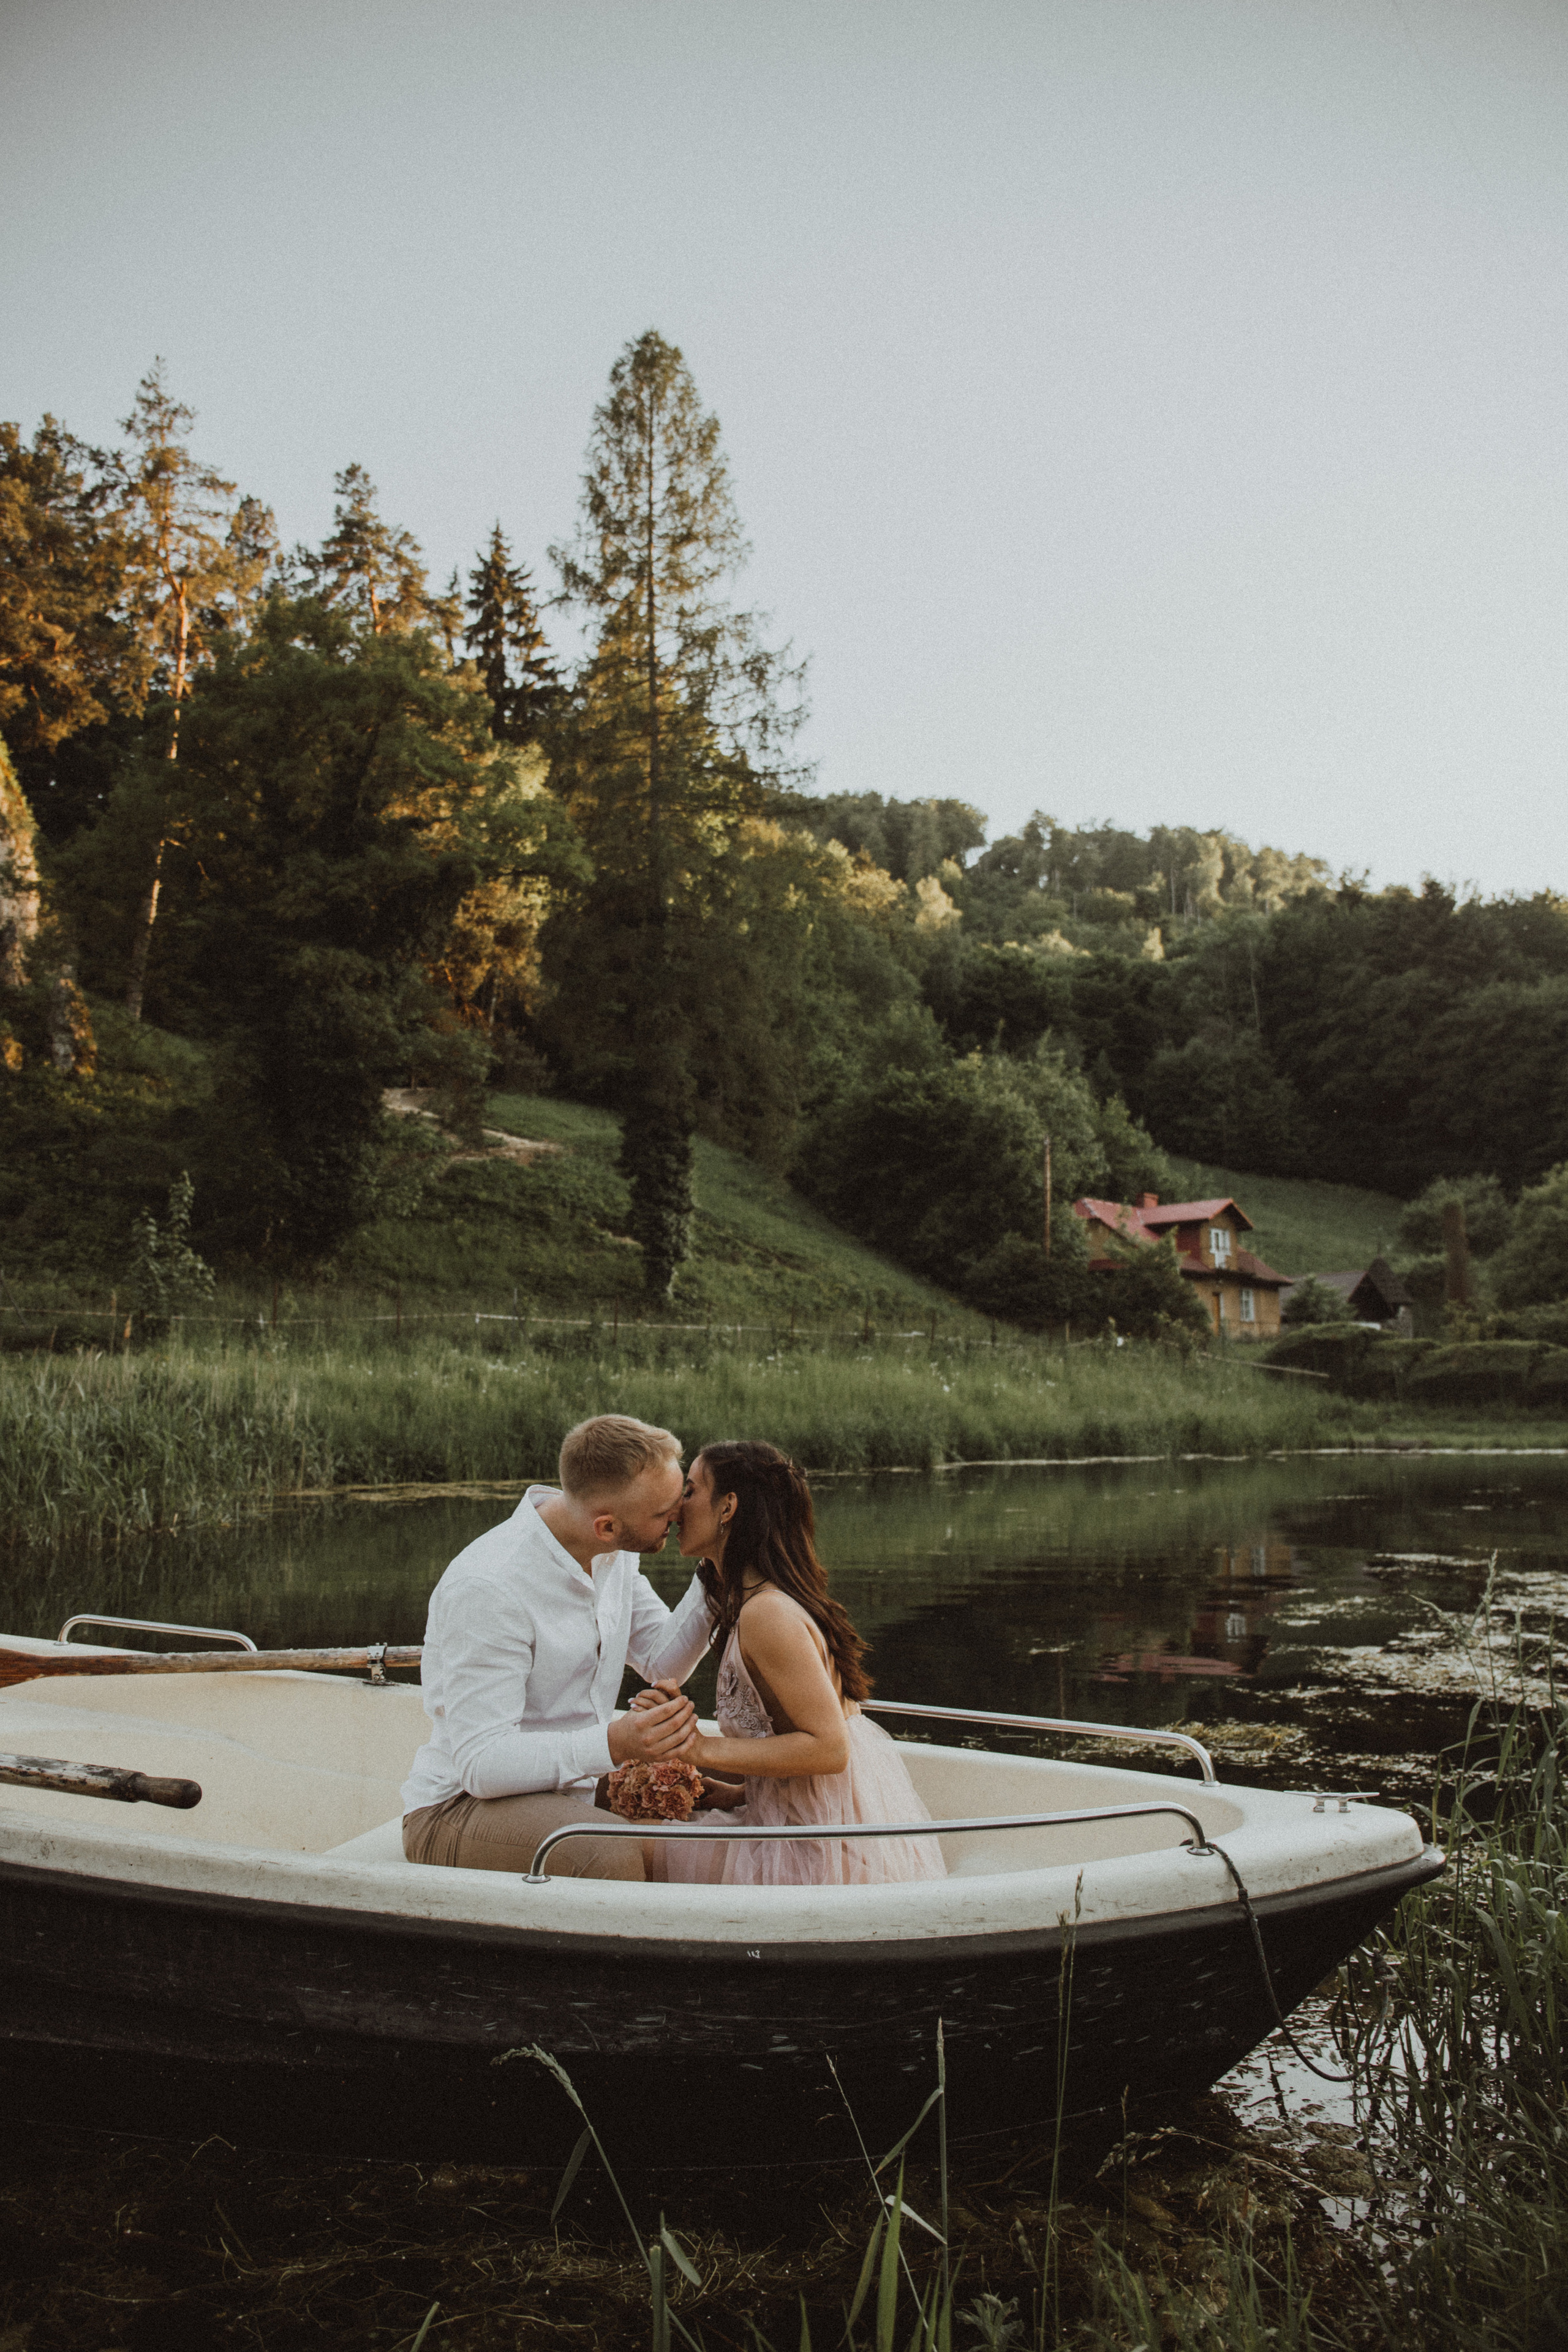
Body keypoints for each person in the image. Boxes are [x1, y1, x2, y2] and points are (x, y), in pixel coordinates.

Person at [401, 1414, 710, 1881]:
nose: (680, 1515)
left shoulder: (610, 1553)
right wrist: (615, 1742)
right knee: (608, 1855)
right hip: (456, 1808)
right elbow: (481, 1766)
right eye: (664, 1512)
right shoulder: (490, 1587)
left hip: (566, 1789)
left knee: (727, 1797)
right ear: (606, 1526)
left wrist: (717, 1571)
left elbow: (661, 1660)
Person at [645, 1439, 947, 1887]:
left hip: (817, 1849)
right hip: (799, 1822)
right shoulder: (752, 1601)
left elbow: (829, 1749)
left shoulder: (767, 1613)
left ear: (728, 1507)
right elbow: (790, 1738)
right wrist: (736, 1792)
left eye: (689, 1490)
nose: (676, 1506)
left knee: (627, 1846)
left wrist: (698, 1750)